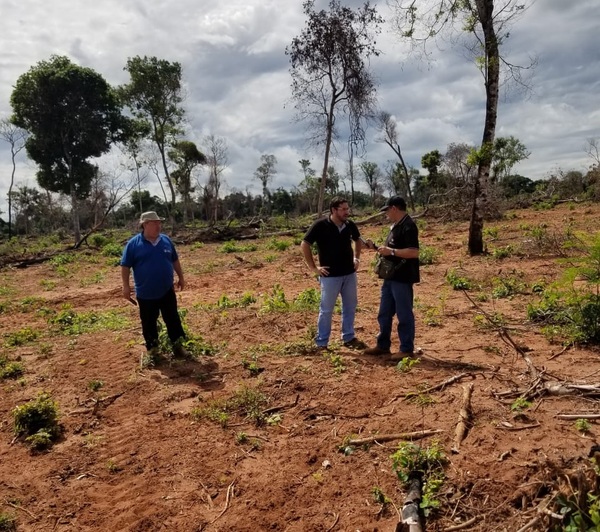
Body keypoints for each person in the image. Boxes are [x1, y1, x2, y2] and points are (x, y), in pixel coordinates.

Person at [121, 211, 189, 362]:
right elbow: (125, 266)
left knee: (172, 319)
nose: (159, 225)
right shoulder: (133, 244)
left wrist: (181, 277)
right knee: (148, 322)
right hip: (145, 293)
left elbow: (175, 260)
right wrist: (125, 287)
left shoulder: (165, 240)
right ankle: (153, 350)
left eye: (159, 222)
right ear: (145, 225)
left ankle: (178, 346)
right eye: (155, 222)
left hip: (166, 290)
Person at [300, 197, 364, 350]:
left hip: (349, 274)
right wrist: (314, 268)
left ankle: (348, 337)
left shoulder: (349, 225)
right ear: (334, 210)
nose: (347, 212)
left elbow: (358, 240)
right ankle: (322, 342)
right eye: (343, 209)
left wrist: (357, 258)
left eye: (347, 209)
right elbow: (305, 244)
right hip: (330, 277)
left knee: (350, 306)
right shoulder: (320, 225)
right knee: (326, 309)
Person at [364, 196, 420, 361]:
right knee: (384, 313)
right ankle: (382, 345)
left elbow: (413, 252)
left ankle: (406, 348)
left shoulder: (408, 226)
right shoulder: (396, 226)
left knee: (404, 313)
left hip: (402, 278)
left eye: (387, 210)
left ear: (394, 208)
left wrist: (392, 252)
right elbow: (391, 250)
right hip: (390, 277)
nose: (386, 214)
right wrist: (376, 248)